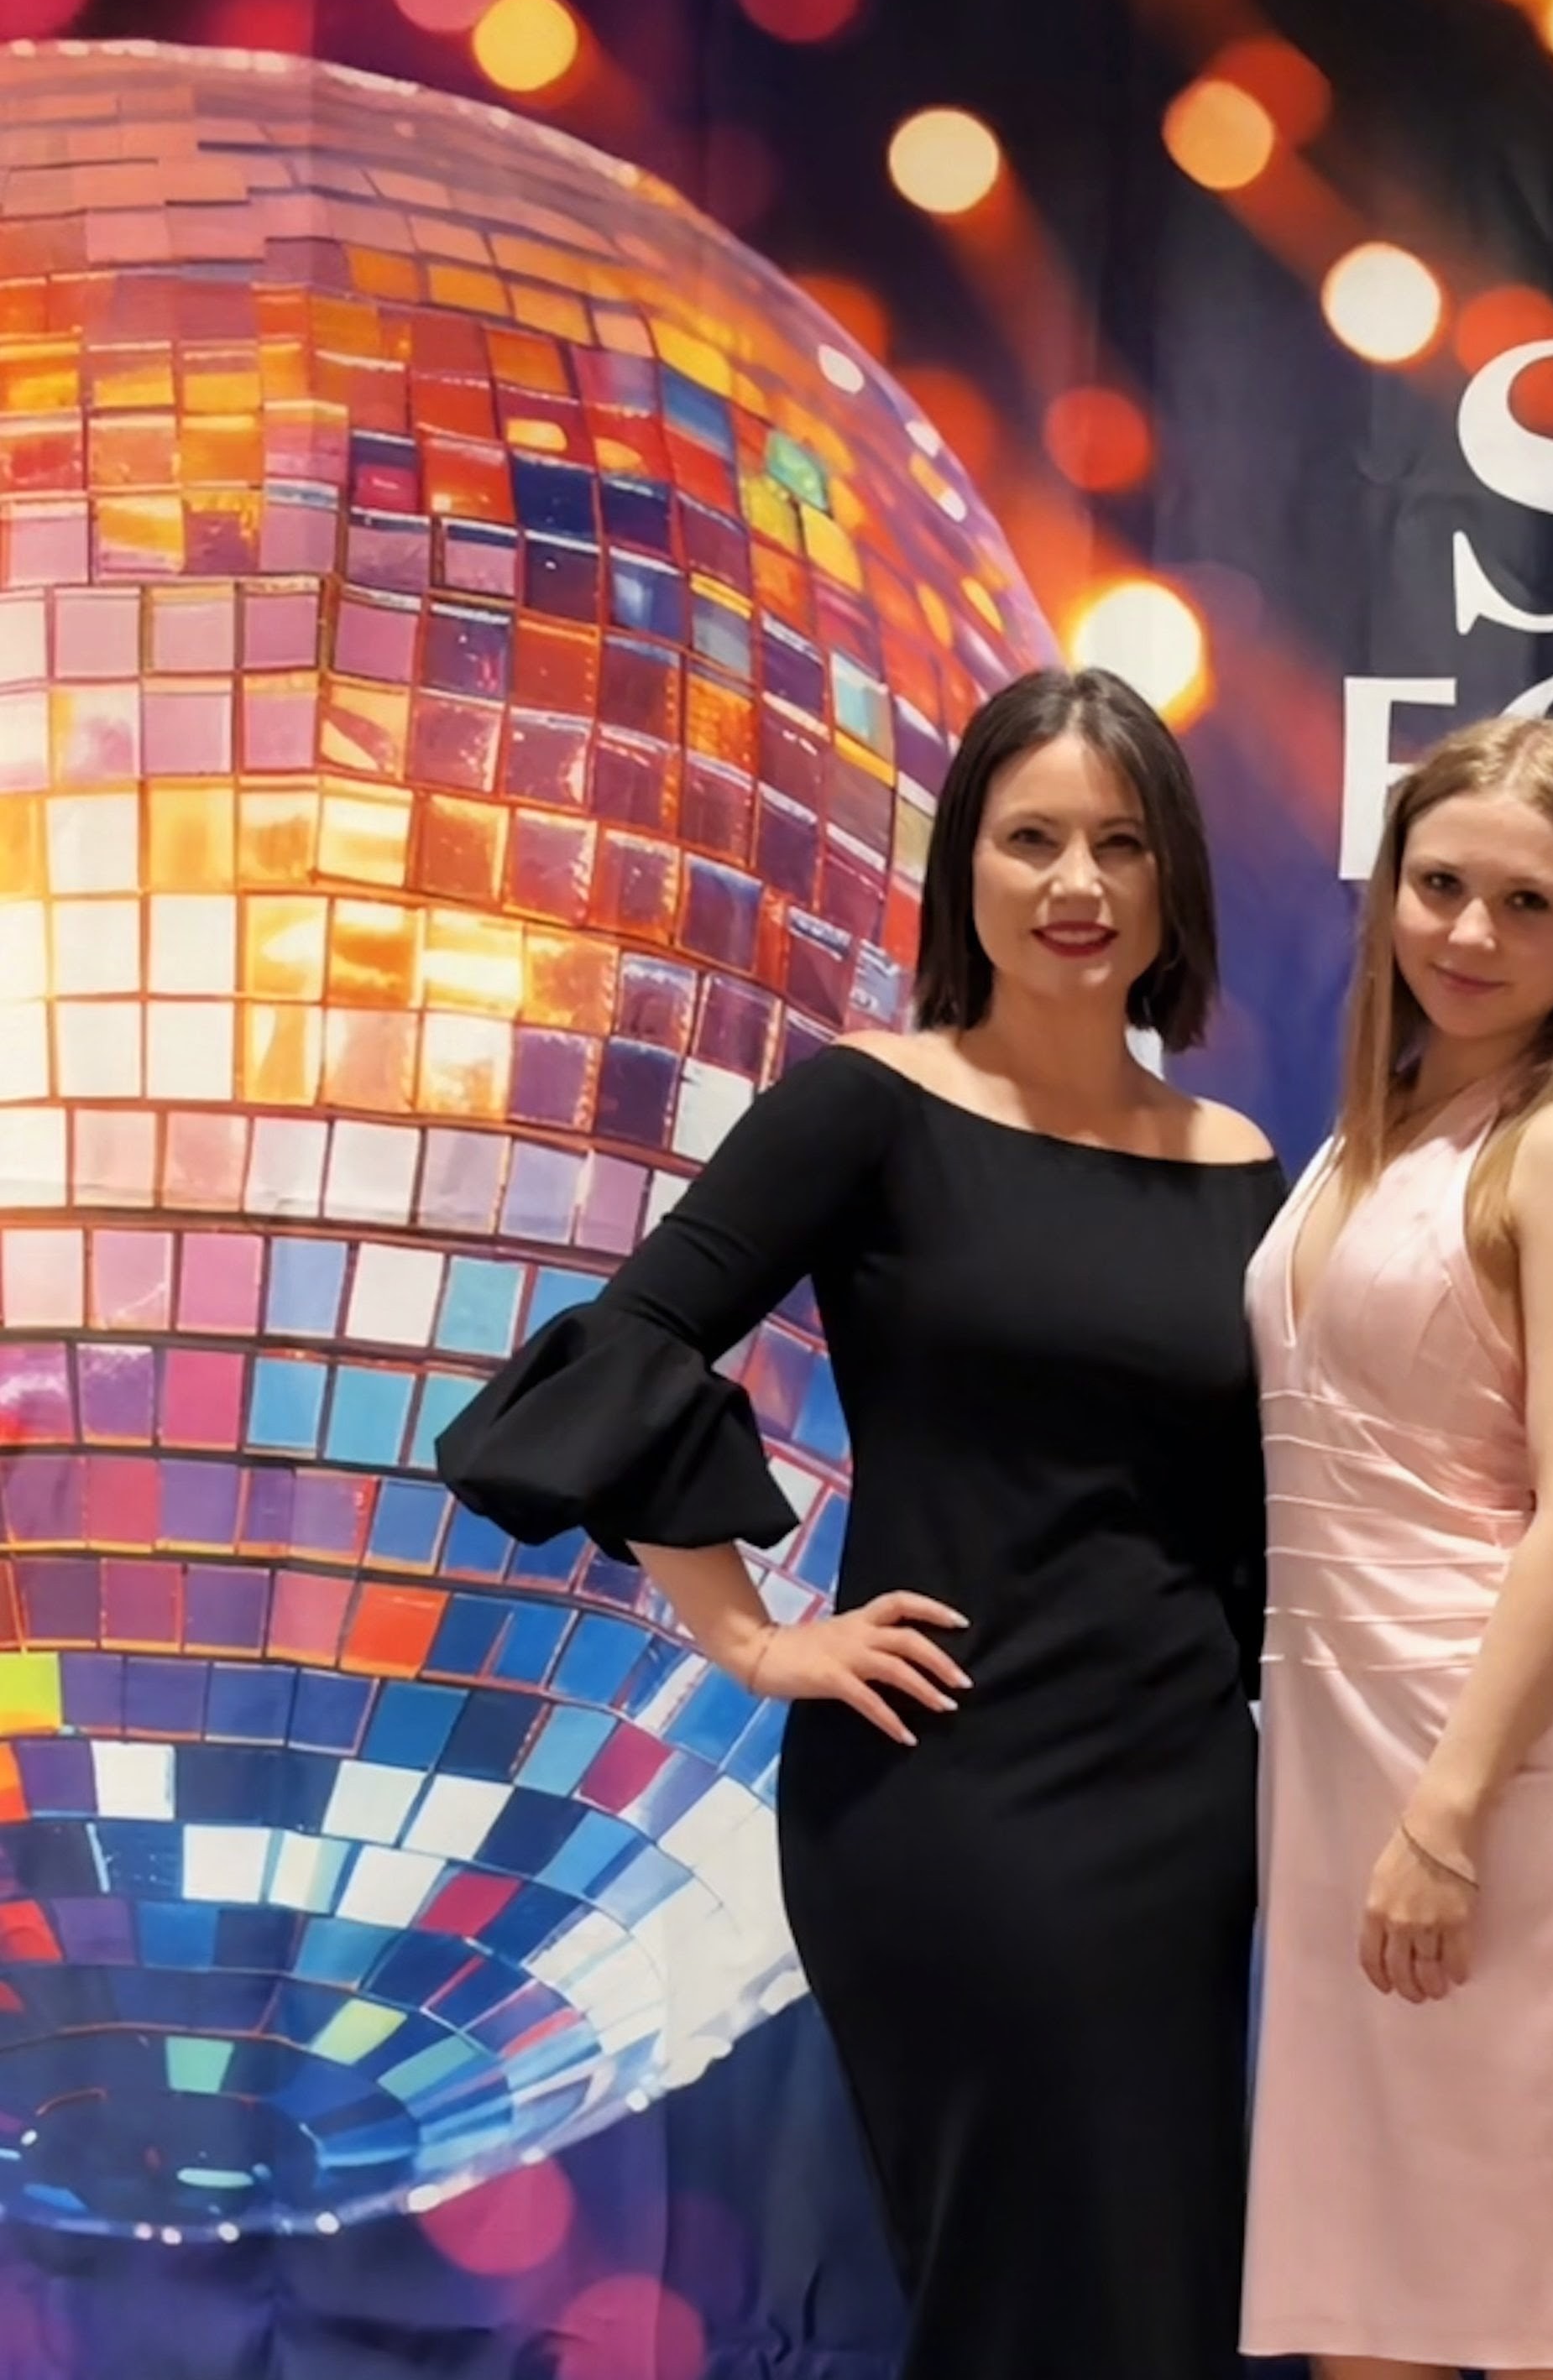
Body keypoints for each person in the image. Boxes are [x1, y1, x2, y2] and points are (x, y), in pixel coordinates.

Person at [434, 668, 1281, 2380]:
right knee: (1025, 2289)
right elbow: (624, 1351)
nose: (1078, 885)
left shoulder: (1241, 1158)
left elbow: (1256, 1505)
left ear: (1173, 878)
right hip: (946, 1790)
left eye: (1121, 843)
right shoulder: (866, 1108)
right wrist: (751, 1635)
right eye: (1032, 837)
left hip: (1183, 1802)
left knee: (1160, 2287)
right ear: (963, 864)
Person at [1242, 715, 1553, 2376]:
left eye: (1524, 903)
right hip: (1335, 1772)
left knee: (1548, 2316)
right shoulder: (1355, 1138)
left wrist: (1445, 1822)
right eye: (1438, 884)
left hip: (1489, 1784)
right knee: (1368, 2313)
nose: (1469, 931)